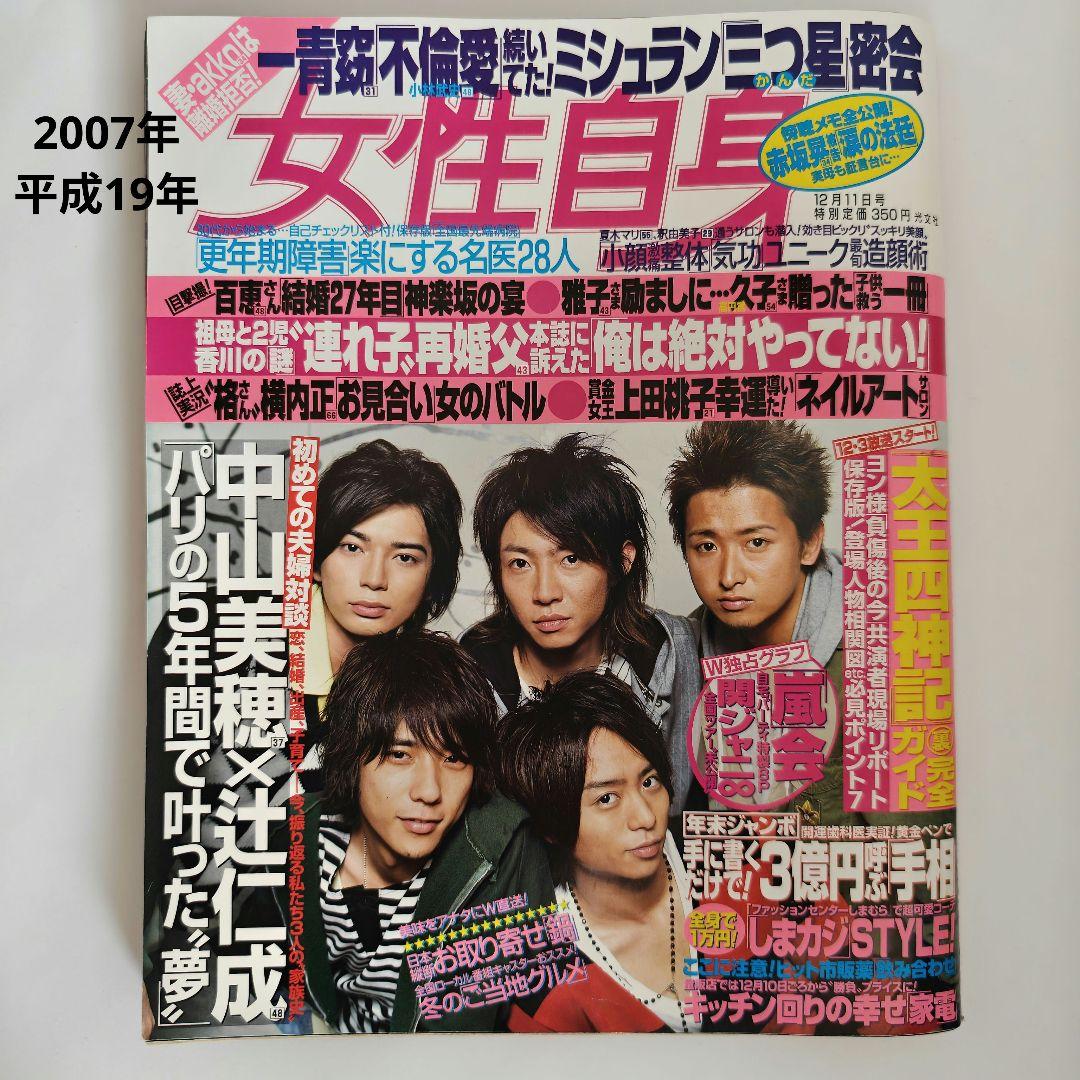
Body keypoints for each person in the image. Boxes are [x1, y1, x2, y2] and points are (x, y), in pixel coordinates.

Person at [250, 631, 555, 1033]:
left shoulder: (502, 844)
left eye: (454, 758)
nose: (429, 791)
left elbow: (538, 1003)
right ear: (351, 757)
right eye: (399, 755)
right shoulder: (296, 836)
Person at [460, 432, 701, 835]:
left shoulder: (667, 650)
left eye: (570, 558)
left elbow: (675, 806)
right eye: (520, 563)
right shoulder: (470, 672)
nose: (545, 593)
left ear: (622, 561)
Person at [498, 672, 700, 1033]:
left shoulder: (738, 861)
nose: (645, 817)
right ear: (551, 825)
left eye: (649, 782)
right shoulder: (540, 970)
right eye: (606, 799)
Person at [664, 420, 843, 818]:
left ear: (809, 542)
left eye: (756, 542)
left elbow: (918, 843)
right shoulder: (683, 654)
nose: (729, 577)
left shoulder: (878, 656)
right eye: (706, 546)